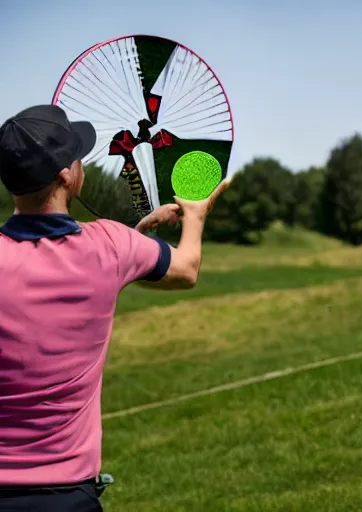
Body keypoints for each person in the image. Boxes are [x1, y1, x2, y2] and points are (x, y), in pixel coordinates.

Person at [0, 104, 229, 511]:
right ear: (68, 176)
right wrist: (194, 215)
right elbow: (186, 269)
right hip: (67, 495)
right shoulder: (111, 246)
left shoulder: (113, 245)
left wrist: (136, 238)